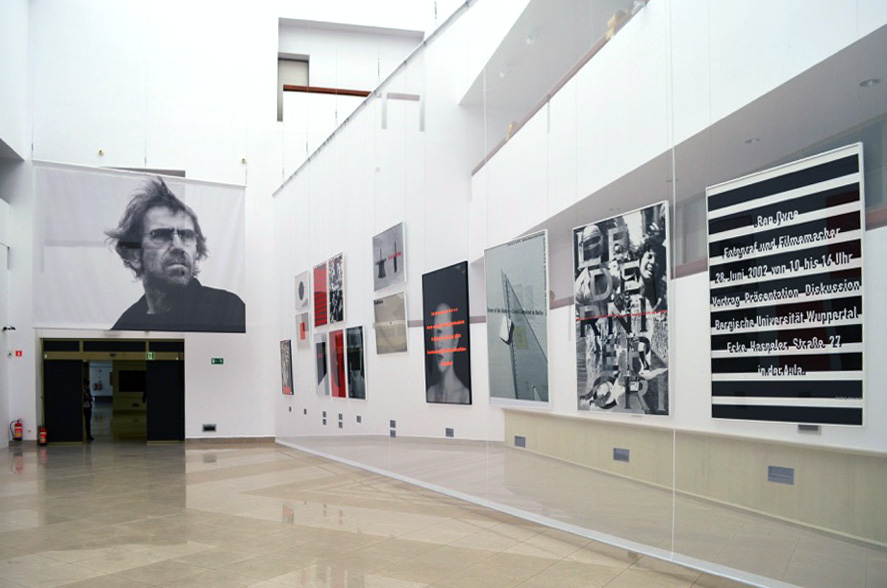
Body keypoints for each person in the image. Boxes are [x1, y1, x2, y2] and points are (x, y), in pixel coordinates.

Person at [106, 178, 245, 332]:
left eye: (186, 235)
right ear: (134, 255)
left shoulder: (227, 310)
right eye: (161, 235)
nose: (178, 246)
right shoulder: (126, 326)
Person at [426, 302, 470, 404]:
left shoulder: (464, 396)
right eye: (436, 333)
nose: (438, 344)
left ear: (455, 342)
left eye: (443, 333)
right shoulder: (430, 393)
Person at [82, 377, 94, 442]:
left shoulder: (87, 390)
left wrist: (88, 398)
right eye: (85, 384)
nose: (86, 386)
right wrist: (87, 398)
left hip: (88, 407)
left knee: (88, 422)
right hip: (83, 407)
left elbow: (90, 398)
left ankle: (88, 435)